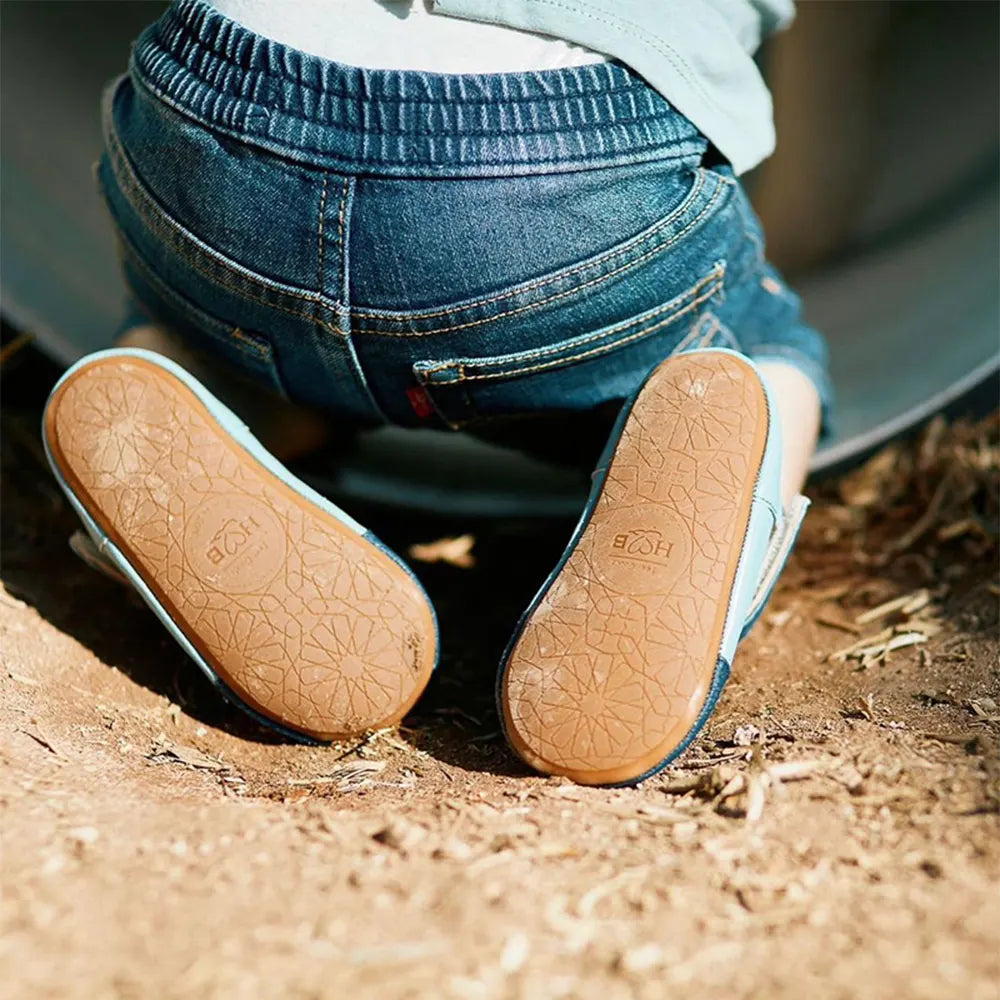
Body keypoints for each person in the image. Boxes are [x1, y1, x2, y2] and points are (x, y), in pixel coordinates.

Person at [43, 0, 830, 785]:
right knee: (758, 353)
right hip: (549, 167)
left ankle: (181, 373)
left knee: (201, 323)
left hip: (216, 120)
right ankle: (706, 473)